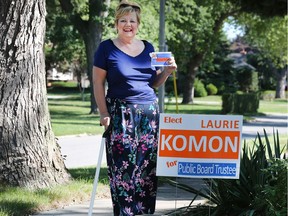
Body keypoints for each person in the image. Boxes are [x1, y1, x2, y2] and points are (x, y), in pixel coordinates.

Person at [92, 1, 177, 215]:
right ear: (117, 23)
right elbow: (98, 83)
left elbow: (153, 83)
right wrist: (103, 112)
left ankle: (144, 213)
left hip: (149, 113)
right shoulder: (106, 48)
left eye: (132, 20)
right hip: (120, 112)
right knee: (123, 170)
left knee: (147, 169)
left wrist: (166, 72)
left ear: (138, 24)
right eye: (123, 20)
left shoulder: (148, 48)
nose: (128, 24)